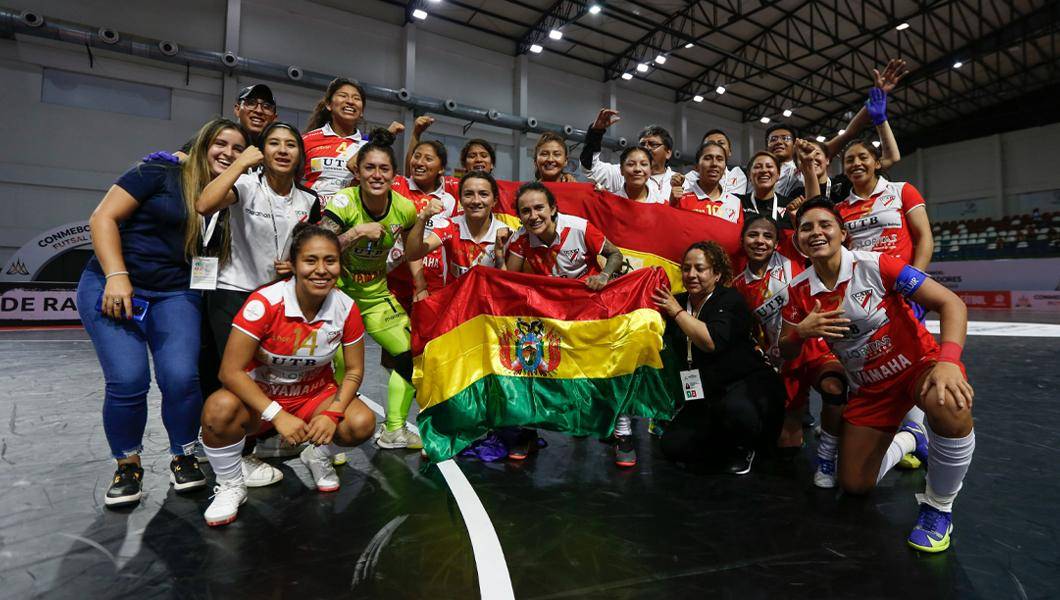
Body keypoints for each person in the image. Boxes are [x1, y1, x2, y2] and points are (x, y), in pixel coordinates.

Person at [779, 197, 975, 552]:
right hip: (869, 390)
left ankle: (938, 507)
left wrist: (948, 361)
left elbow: (951, 303)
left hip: (916, 368)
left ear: (842, 233)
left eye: (825, 224)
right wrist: (799, 332)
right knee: (854, 484)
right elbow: (786, 348)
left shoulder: (878, 265)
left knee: (949, 402)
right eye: (806, 227)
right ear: (798, 242)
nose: (816, 232)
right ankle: (911, 438)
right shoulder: (797, 291)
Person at [77, 118, 247, 507]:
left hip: (175, 293)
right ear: (203, 144)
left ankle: (183, 455)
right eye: (221, 144)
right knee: (128, 380)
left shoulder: (229, 195)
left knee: (182, 378)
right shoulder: (158, 171)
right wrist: (117, 276)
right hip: (116, 285)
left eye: (239, 149)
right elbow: (103, 217)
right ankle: (128, 464)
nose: (228, 154)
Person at [199, 224, 376, 526]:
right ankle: (230, 485)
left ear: (340, 264)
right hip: (261, 398)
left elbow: (355, 371)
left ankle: (318, 454)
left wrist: (332, 414)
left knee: (361, 423)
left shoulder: (346, 308)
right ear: (293, 265)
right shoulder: (265, 303)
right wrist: (277, 415)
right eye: (310, 260)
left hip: (313, 396)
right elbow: (229, 372)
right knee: (218, 410)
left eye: (330, 260)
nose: (321, 270)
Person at [194, 121, 323, 482]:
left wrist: (294, 265)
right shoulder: (245, 185)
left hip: (276, 299)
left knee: (267, 376)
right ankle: (232, 453)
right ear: (261, 152)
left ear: (300, 155)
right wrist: (239, 163)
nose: (282, 150)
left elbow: (306, 244)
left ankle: (253, 443)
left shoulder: (309, 200)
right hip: (231, 290)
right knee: (233, 376)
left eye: (291, 145)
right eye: (274, 144)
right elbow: (204, 203)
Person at [504, 182, 631, 465]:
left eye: (539, 208)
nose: (533, 215)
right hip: (549, 316)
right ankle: (527, 431)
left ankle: (622, 433)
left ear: (553, 208)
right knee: (528, 363)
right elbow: (508, 282)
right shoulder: (520, 240)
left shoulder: (580, 228)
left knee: (611, 367)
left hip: (589, 311)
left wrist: (605, 277)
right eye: (525, 211)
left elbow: (615, 254)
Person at [320, 128, 423, 450]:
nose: (377, 175)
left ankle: (394, 429)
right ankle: (330, 443)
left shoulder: (404, 208)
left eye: (384, 169)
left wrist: (419, 282)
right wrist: (354, 234)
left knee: (409, 354)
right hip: (336, 298)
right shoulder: (344, 202)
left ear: (394, 174)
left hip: (376, 295)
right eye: (370, 167)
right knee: (336, 366)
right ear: (358, 171)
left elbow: (413, 251)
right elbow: (316, 249)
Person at [652, 242, 785, 474]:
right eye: (686, 268)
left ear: (716, 274)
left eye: (700, 269)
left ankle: (747, 447)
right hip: (704, 391)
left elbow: (710, 341)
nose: (691, 274)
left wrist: (676, 312)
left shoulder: (730, 300)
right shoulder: (678, 300)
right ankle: (724, 445)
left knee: (734, 410)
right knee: (672, 446)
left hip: (744, 385)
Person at [732, 215, 847, 479]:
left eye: (767, 236)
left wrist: (810, 175)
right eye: (753, 235)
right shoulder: (738, 285)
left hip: (817, 349)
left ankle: (828, 454)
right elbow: (751, 331)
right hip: (783, 357)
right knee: (787, 446)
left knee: (834, 388)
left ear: (776, 243)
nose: (760, 241)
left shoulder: (791, 258)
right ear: (742, 240)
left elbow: (816, 216)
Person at [772, 59, 908, 198]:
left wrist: (880, 118)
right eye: (805, 157)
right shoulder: (795, 196)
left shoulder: (846, 183)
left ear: (828, 159)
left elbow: (891, 158)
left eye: (816, 153)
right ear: (798, 167)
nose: (811, 158)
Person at [303, 78, 402, 208]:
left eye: (356, 98)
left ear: (362, 111)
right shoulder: (307, 139)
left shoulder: (371, 146)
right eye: (343, 96)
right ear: (328, 104)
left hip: (355, 218)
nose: (350, 101)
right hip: (314, 218)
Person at [389, 133, 459, 305]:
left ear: (441, 169)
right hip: (393, 275)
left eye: (428, 158)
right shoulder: (396, 185)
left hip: (429, 280)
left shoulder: (448, 201)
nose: (419, 162)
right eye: (416, 156)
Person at [405, 170, 511, 279]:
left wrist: (499, 258)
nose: (476, 201)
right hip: (454, 296)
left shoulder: (507, 234)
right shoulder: (449, 226)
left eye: (483, 194)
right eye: (468, 194)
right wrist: (423, 217)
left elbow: (510, 284)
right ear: (460, 200)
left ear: (495, 201)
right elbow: (412, 254)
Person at [580, 109, 676, 203]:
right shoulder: (625, 173)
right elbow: (591, 168)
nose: (646, 148)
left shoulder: (683, 182)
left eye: (653, 144)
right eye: (642, 144)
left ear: (668, 153)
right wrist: (596, 133)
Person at [672, 141, 744, 253]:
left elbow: (738, 244)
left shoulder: (735, 203)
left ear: (725, 167)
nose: (714, 163)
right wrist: (672, 204)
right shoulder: (681, 199)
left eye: (720, 159)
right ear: (696, 166)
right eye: (708, 158)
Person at [684, 129, 747, 195]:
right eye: (710, 143)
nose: (716, 147)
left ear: (730, 151)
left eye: (721, 143)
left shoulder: (737, 175)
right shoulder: (689, 178)